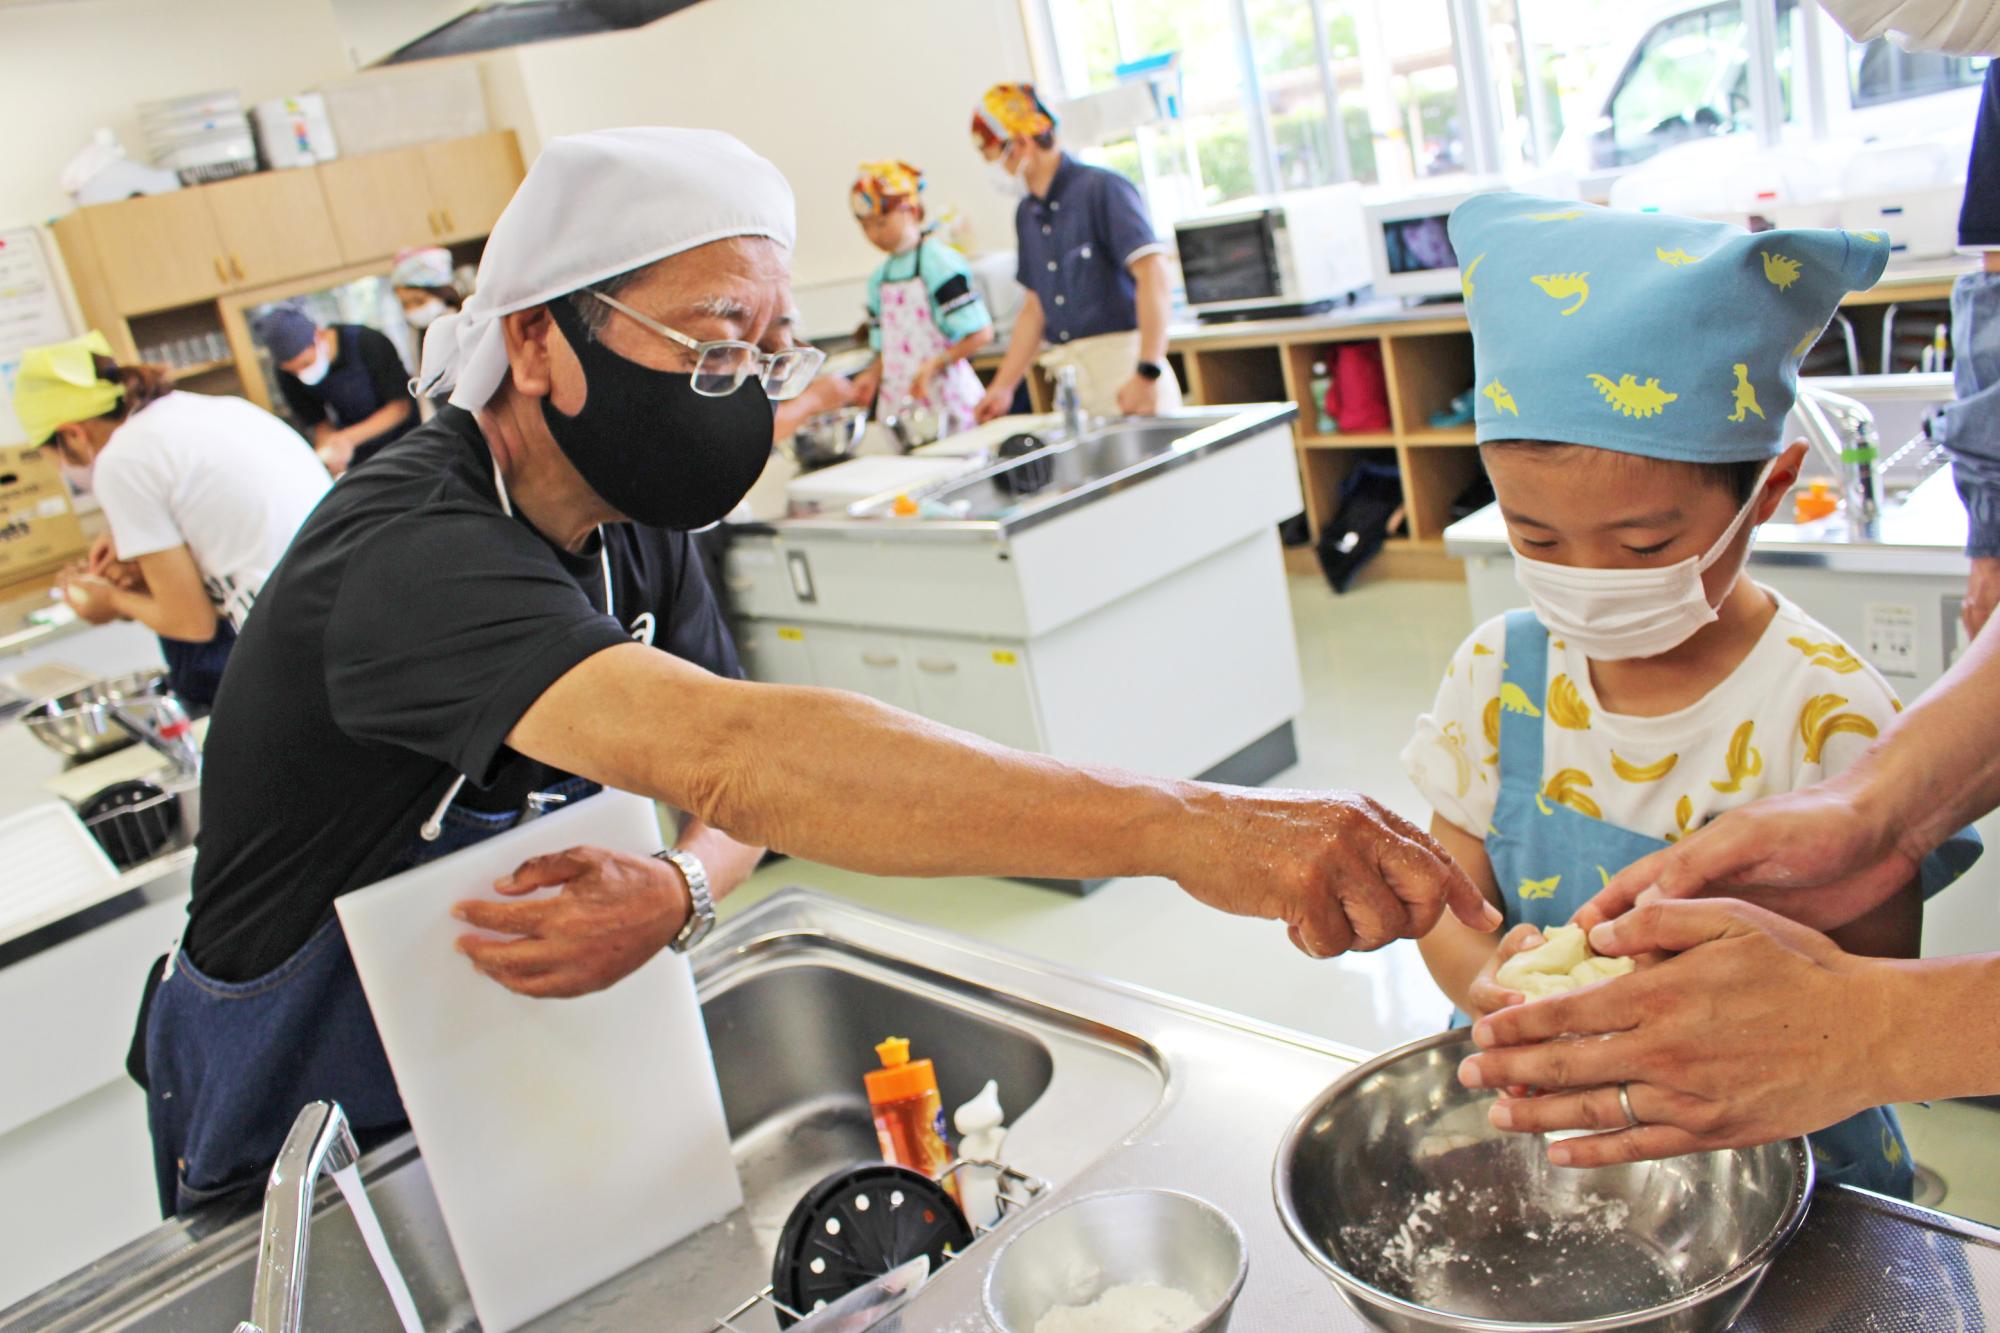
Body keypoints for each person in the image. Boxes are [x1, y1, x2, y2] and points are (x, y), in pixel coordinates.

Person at [138, 126, 1491, 1218]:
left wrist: (675, 888)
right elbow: (750, 754)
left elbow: (732, 812)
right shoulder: (410, 556)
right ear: (542, 339)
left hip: (511, 1043)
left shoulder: (631, 522)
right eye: (712, 342)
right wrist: (1183, 826)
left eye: (766, 351)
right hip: (304, 1097)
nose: (742, 385)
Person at [1452, 0, 2000, 1176]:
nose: (1586, 583)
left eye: (1643, 546)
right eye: (1532, 534)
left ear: (1761, 496)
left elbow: (1862, 990)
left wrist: (1856, 1016)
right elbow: (1455, 897)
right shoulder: (1499, 674)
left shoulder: (1820, 705)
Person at [11, 332, 331, 709]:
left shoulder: (121, 460)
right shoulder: (214, 409)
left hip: (299, 646)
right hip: (338, 606)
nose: (65, 471)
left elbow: (192, 623)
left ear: (73, 435)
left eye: (55, 457)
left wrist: (111, 600)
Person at [968, 83, 1181, 425]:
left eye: (994, 158)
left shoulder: (1102, 190)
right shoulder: (1027, 214)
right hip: (1077, 386)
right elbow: (1034, 308)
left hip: (1127, 370)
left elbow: (1153, 274)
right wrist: (1003, 387)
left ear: (1021, 144)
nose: (998, 171)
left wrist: (1147, 371)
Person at [848, 159, 994, 434]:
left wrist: (934, 365)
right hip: (900, 406)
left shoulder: (939, 264)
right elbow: (886, 348)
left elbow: (980, 333)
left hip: (946, 399)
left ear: (912, 211)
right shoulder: (880, 278)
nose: (874, 234)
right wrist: (872, 375)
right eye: (866, 226)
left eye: (881, 222)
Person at [253, 305, 416, 475]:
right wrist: (329, 453)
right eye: (293, 370)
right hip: (361, 463)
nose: (301, 373)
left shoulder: (367, 342)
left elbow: (400, 408)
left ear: (319, 335)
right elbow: (319, 423)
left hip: (407, 445)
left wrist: (346, 438)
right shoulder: (285, 374)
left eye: (306, 363)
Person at [390, 246, 466, 331]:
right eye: (405, 304)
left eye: (418, 301)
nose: (413, 309)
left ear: (443, 293)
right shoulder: (418, 335)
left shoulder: (468, 325)